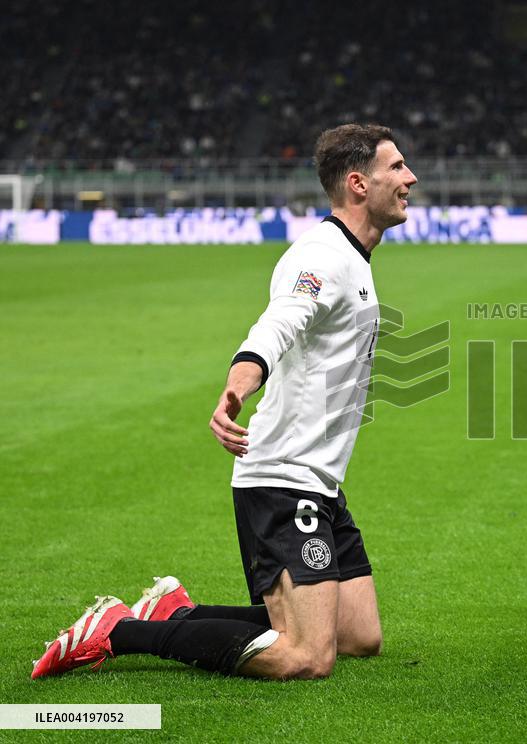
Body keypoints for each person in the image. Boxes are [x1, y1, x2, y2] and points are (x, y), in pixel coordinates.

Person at [32, 124, 418, 681]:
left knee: (359, 635)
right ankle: (120, 630)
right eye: (397, 167)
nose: (411, 178)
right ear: (359, 183)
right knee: (307, 657)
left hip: (319, 479)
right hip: (283, 478)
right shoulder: (322, 256)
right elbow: (277, 325)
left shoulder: (353, 258)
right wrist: (239, 384)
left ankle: (173, 614)